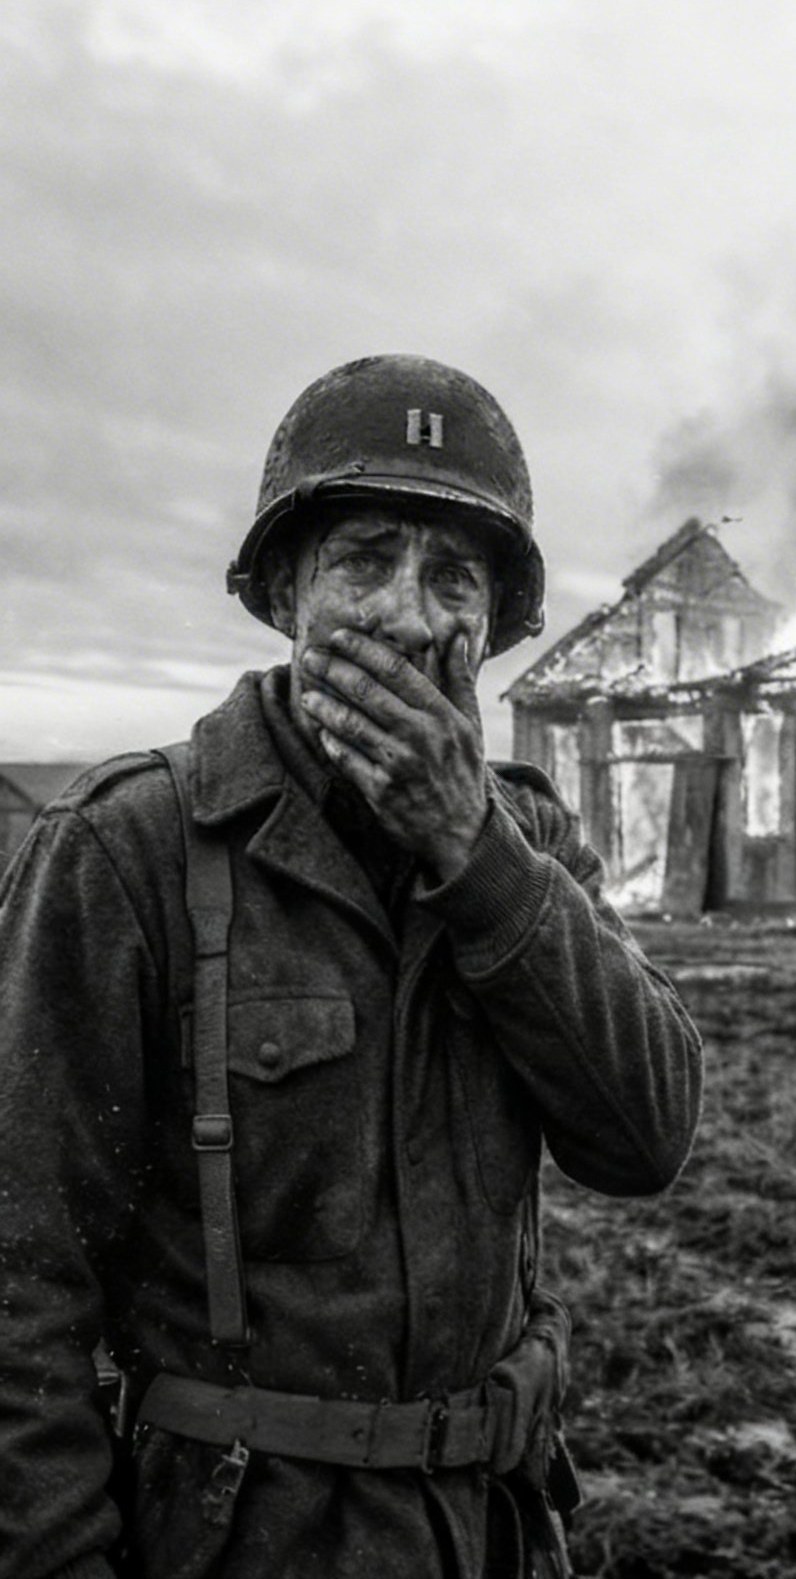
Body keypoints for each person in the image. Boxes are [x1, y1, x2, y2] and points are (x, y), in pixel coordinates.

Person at [0, 355, 704, 1579]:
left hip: (489, 1536)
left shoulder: (529, 846)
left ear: (493, 629)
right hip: (235, 1541)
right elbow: (19, 1285)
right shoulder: (127, 850)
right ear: (284, 590)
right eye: (365, 559)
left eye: (454, 578)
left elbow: (645, 1136)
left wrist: (470, 851)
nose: (411, 616)